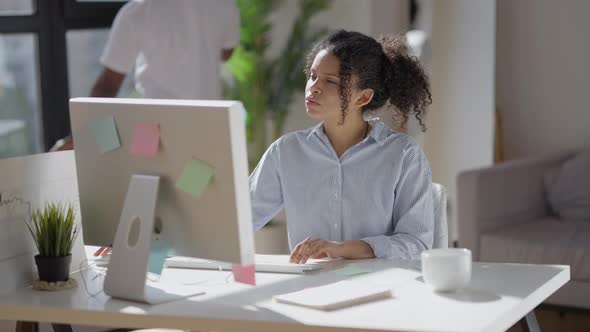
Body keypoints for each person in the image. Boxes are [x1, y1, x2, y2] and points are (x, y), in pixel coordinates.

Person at [249, 30, 434, 264]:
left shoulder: (403, 154)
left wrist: (342, 249)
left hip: (381, 286)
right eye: (313, 76)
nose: (313, 87)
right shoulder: (285, 152)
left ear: (363, 97)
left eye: (331, 81)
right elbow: (240, 220)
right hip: (309, 286)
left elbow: (416, 243)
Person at [53, 0, 239, 151]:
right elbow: (226, 52)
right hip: (207, 127)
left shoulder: (138, 11)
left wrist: (80, 136)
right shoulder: (225, 4)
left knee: (150, 190)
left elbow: (108, 86)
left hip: (152, 132)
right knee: (201, 192)